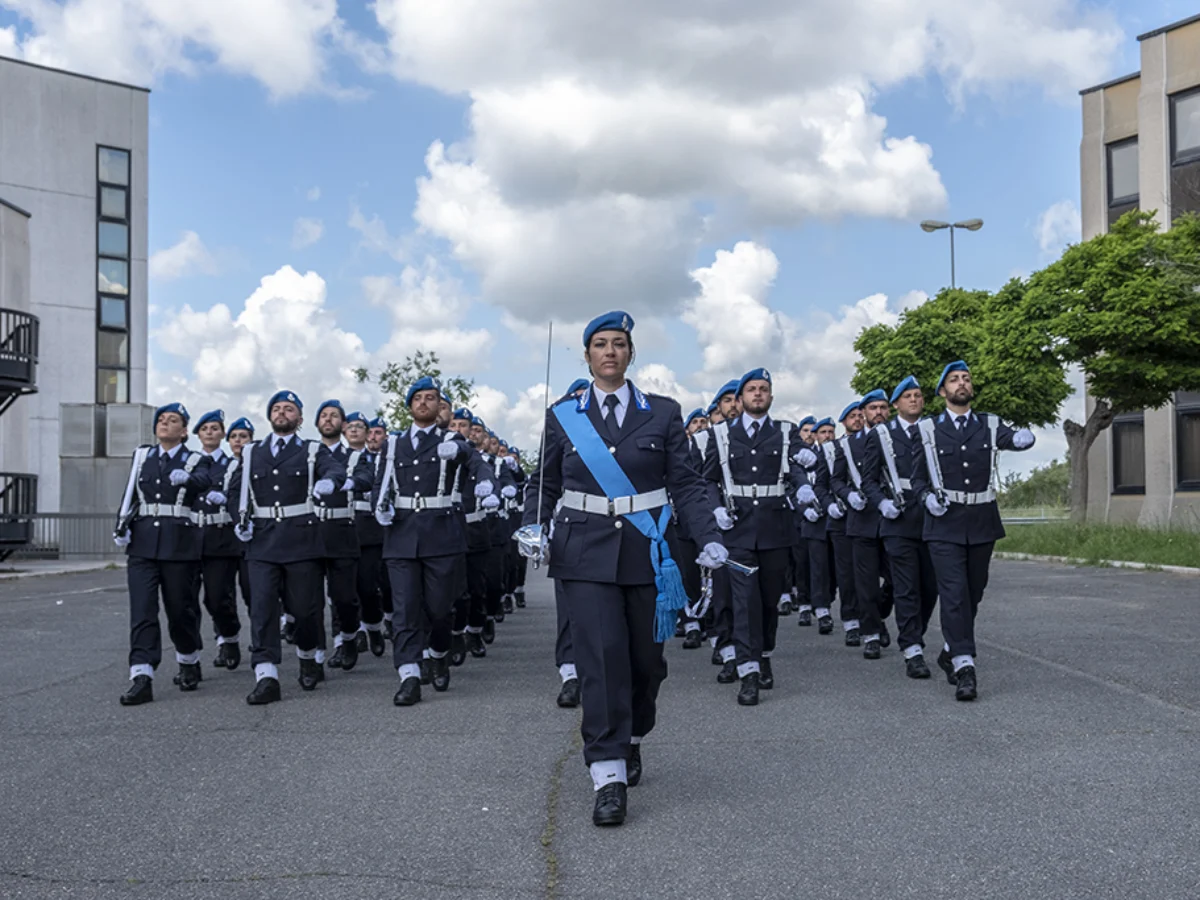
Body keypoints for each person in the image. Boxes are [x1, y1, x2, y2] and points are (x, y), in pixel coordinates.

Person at [518, 310, 728, 827]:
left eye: (619, 344)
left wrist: (708, 538)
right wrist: (531, 524)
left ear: (631, 354)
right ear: (587, 355)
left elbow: (686, 483)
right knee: (600, 660)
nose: (609, 351)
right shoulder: (562, 414)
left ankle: (633, 734)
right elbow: (543, 483)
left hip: (646, 550)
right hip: (583, 552)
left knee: (643, 664)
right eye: (600, 344)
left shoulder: (662, 412)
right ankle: (607, 772)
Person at [910, 361, 1035, 701]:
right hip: (944, 522)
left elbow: (1011, 438)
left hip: (981, 520)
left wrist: (1025, 439)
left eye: (966, 378)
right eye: (954, 380)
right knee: (952, 593)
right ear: (942, 392)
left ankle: (951, 648)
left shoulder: (989, 424)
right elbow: (917, 478)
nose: (962, 383)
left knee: (973, 592)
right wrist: (925, 498)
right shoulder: (928, 430)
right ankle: (966, 667)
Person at [373, 377, 497, 706]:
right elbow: (380, 483)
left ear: (440, 405)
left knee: (440, 609)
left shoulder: (453, 439)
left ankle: (439, 653)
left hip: (442, 535)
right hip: (401, 536)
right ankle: (409, 674)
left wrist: (484, 483)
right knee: (405, 609)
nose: (425, 403)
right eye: (419, 398)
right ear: (410, 406)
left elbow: (478, 465)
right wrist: (379, 508)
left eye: (432, 398)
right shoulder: (394, 444)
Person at [230, 390, 348, 705]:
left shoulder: (311, 450)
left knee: (305, 610)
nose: (282, 413)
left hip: (302, 542)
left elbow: (336, 469)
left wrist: (331, 483)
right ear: (270, 416)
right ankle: (266, 675)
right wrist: (238, 519)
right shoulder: (253, 452)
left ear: (299, 418)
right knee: (263, 610)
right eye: (277, 408)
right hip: (263, 541)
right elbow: (234, 491)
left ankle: (308, 656)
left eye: (289, 409)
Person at [703, 368, 802, 706]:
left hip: (775, 529)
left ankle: (764, 654)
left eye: (763, 389)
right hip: (738, 531)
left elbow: (799, 470)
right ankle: (748, 671)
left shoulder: (786, 433)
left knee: (768, 601)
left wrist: (803, 485)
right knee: (744, 603)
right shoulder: (720, 435)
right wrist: (715, 508)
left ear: (771, 397)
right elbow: (707, 481)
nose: (757, 394)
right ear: (741, 398)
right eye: (751, 389)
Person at [114, 403, 215, 705]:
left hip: (179, 545)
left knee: (180, 610)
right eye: (161, 419)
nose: (165, 424)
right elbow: (130, 493)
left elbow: (204, 481)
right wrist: (121, 525)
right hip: (143, 544)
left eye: (173, 421)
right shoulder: (142, 456)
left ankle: (188, 658)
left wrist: (189, 480)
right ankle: (141, 675)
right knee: (142, 610)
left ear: (184, 431)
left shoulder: (196, 459)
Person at [861, 376, 939, 678]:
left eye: (918, 395)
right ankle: (912, 649)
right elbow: (869, 479)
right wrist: (881, 503)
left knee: (930, 587)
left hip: (932, 518)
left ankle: (914, 632)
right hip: (898, 519)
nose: (914, 400)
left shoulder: (933, 429)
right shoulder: (882, 435)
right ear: (896, 405)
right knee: (906, 587)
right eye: (908, 396)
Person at [312, 400, 375, 672]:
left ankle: (349, 637)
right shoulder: (308, 454)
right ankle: (318, 653)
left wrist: (350, 482)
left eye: (334, 416)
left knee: (344, 597)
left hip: (342, 531)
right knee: (310, 599)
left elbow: (366, 477)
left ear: (343, 424)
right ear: (316, 423)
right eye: (323, 416)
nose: (328, 420)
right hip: (310, 532)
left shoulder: (355, 456)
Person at [832, 389, 895, 660]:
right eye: (872, 409)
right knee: (865, 582)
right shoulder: (847, 446)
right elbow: (835, 480)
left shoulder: (899, 438)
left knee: (897, 578)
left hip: (895, 519)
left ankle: (878, 613)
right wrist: (847, 496)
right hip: (862, 519)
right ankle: (870, 633)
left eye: (883, 407)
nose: (878, 412)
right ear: (864, 415)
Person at [192, 409, 243, 671]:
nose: (210, 433)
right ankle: (190, 659)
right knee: (186, 601)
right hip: (189, 539)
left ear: (222, 434)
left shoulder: (232, 464)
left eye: (214, 428)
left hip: (220, 538)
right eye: (205, 429)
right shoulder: (188, 462)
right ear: (198, 434)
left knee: (217, 597)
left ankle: (229, 637)